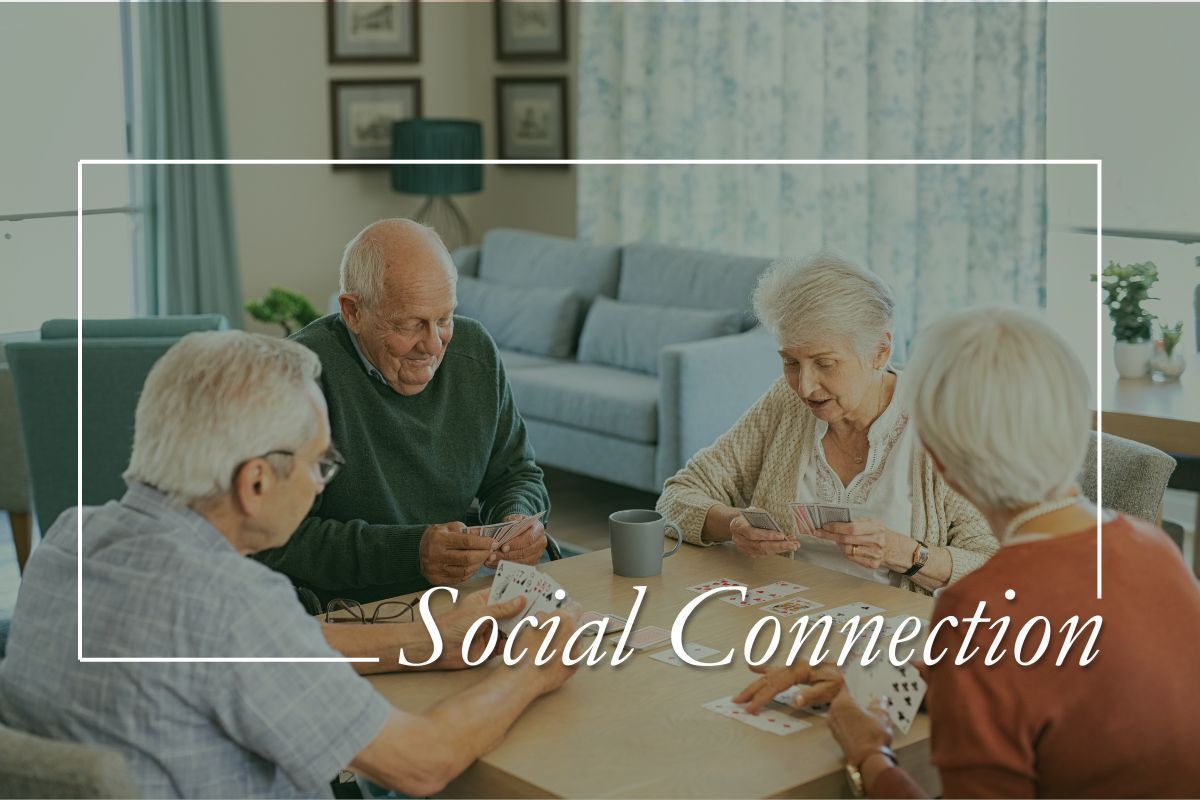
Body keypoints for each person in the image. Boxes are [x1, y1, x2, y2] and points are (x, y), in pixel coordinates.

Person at [0, 331, 580, 799]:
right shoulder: (231, 600)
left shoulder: (69, 539)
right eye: (319, 463)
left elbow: (252, 652)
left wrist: (425, 638)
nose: (321, 479)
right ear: (254, 481)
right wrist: (535, 668)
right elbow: (421, 763)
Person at [735, 307, 1200, 797]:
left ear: (939, 460)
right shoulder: (1154, 546)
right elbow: (1051, 682)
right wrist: (872, 678)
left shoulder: (981, 605)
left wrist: (867, 756)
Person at [657, 254, 996, 594]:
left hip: (897, 633)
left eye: (825, 363)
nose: (804, 386)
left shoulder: (940, 421)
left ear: (880, 351)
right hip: (785, 617)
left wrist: (907, 554)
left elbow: (997, 565)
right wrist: (733, 525)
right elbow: (675, 498)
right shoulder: (788, 403)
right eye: (790, 362)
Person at [256, 219, 550, 605]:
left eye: (444, 319)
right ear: (352, 312)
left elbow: (516, 473)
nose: (432, 345)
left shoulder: (474, 350)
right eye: (410, 325)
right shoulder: (298, 378)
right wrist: (410, 553)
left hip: (460, 595)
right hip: (344, 612)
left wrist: (518, 519)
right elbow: (276, 538)